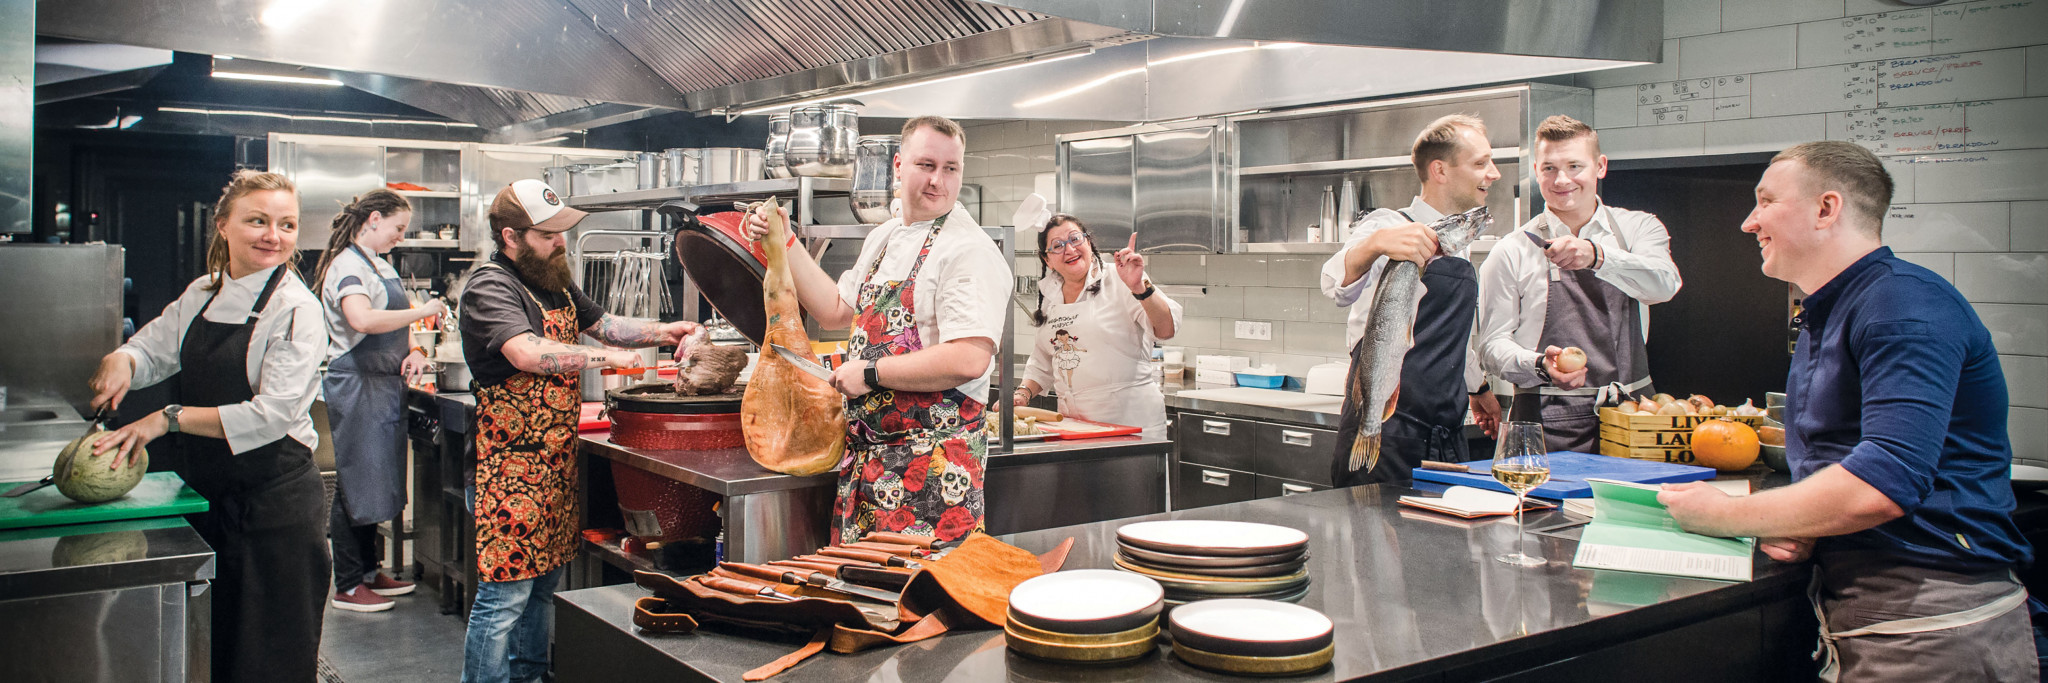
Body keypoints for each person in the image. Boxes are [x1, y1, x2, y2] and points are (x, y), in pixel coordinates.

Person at [1659, 141, 2034, 681]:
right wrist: (1803, 520)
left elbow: (1883, 482)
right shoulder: (1835, 309)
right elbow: (1846, 460)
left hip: (1932, 618)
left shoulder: (1902, 303)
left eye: (1766, 201)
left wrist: (1722, 515)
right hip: (1871, 613)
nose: (1749, 222)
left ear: (1826, 208)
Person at [87, 170, 329, 682]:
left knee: (269, 658)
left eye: (287, 225)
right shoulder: (203, 292)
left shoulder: (296, 309)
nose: (273, 236)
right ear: (223, 225)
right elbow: (154, 349)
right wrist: (123, 359)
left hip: (274, 506)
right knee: (210, 645)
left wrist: (167, 419)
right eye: (258, 221)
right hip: (208, 496)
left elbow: (271, 415)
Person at [458, 179, 701, 683]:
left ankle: (529, 676)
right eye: (548, 234)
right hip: (506, 471)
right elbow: (526, 352)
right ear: (511, 237)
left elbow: (604, 324)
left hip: (552, 468)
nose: (560, 242)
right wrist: (607, 359)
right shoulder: (490, 286)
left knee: (542, 589)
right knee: (503, 599)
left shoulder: (551, 279)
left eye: (562, 231)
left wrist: (664, 331)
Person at [744, 115, 1012, 545]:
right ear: (899, 166)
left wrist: (870, 373)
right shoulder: (885, 237)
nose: (938, 181)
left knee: (919, 587)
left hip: (934, 474)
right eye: (926, 165)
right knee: (860, 584)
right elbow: (835, 310)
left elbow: (969, 357)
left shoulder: (967, 249)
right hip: (869, 464)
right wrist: (785, 241)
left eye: (950, 168)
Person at [1476, 115, 1682, 453]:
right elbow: (1491, 346)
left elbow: (1664, 286)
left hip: (1634, 420)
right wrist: (1540, 365)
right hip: (1544, 425)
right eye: (1549, 168)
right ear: (1536, 171)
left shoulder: (1638, 228)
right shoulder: (1512, 250)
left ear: (1600, 166)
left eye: (1574, 166)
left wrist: (1598, 256)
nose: (1562, 180)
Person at [1319, 114, 1500, 486]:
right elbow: (1334, 285)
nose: (1494, 173)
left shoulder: (1458, 243)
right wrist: (1375, 244)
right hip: (1388, 433)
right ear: (1440, 170)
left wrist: (1479, 388)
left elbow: (1450, 336)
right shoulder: (1387, 224)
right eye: (1481, 163)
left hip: (1445, 437)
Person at [310, 189, 447, 613]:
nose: (400, 237)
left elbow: (396, 326)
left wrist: (415, 350)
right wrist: (424, 310)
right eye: (397, 227)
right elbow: (362, 319)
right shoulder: (347, 266)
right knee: (355, 484)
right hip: (358, 384)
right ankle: (348, 585)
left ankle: (370, 572)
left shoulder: (379, 263)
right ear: (373, 219)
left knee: (375, 481)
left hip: (384, 385)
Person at [1014, 215, 1182, 435]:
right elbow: (1043, 361)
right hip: (1074, 426)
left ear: (1088, 242)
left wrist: (1139, 289)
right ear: (1048, 260)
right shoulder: (1051, 294)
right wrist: (1023, 393)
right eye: (1058, 245)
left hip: (1130, 425)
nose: (1070, 249)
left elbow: (1166, 329)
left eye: (1075, 239)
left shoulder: (1120, 278)